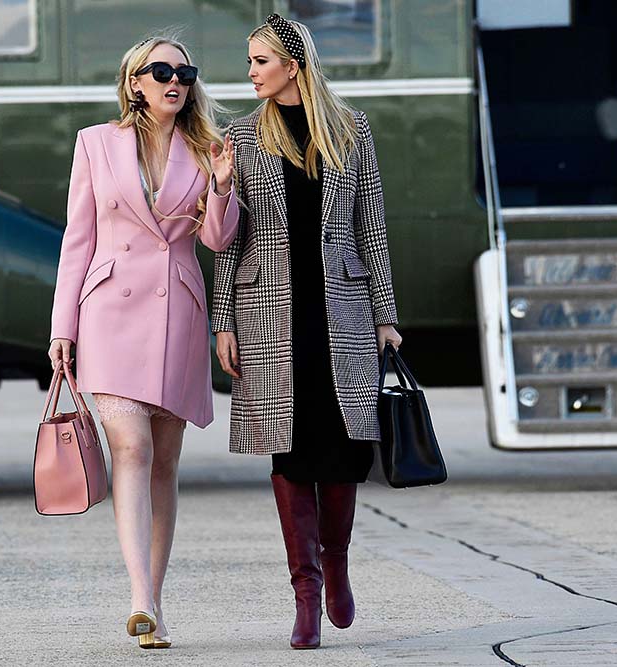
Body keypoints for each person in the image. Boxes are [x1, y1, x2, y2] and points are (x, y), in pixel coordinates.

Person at [212, 14, 402, 649]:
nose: (251, 72)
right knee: (287, 449)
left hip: (341, 310)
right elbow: (226, 245)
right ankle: (306, 589)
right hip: (267, 312)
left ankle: (338, 560)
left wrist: (385, 317)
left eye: (260, 61)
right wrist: (224, 322)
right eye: (249, 61)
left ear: (293, 64)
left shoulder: (350, 131)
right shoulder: (240, 137)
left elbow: (371, 228)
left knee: (346, 447)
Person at [47, 36, 238, 649]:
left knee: (165, 462)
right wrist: (62, 329)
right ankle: (140, 600)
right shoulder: (95, 144)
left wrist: (225, 187)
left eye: (184, 72)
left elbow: (215, 240)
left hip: (176, 314)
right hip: (108, 312)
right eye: (160, 72)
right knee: (129, 448)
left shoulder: (207, 149)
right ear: (135, 83)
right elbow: (77, 241)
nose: (173, 81)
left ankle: (155, 600)